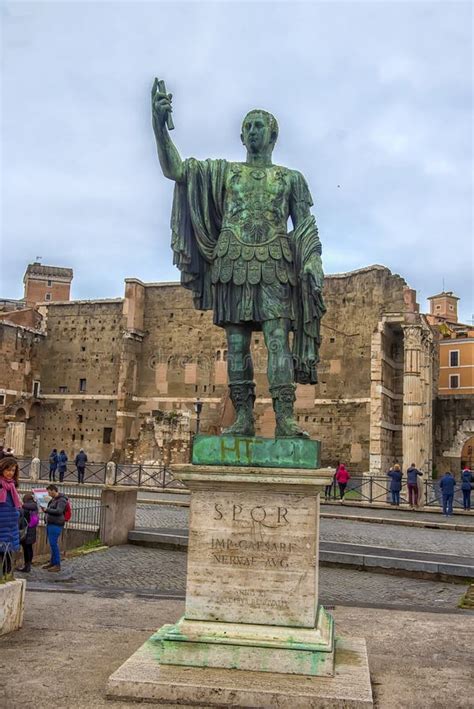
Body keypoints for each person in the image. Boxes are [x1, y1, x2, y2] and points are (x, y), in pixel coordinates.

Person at [151, 83, 325, 438]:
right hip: (232, 263)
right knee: (235, 345)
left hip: (275, 264)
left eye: (259, 125)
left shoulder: (291, 179)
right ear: (242, 136)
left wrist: (313, 260)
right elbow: (177, 171)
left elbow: (305, 225)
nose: (252, 130)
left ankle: (285, 419)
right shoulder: (224, 173)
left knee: (278, 340)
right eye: (248, 126)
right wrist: (158, 126)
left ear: (273, 134)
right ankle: (243, 417)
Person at [0, 456, 21, 578]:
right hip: (1, 524)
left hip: (11, 526)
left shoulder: (12, 486)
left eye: (13, 470)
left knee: (7, 555)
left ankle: (6, 578)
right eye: (8, 470)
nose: (10, 473)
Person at [42, 484, 68, 572]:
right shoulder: (53, 499)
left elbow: (59, 511)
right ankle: (52, 562)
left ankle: (57, 564)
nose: (48, 494)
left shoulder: (62, 500)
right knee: (52, 544)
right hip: (51, 523)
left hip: (56, 524)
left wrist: (47, 510)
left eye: (49, 492)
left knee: (53, 544)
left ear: (53, 490)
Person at [17, 492, 39, 573]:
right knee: (29, 548)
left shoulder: (31, 505)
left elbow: (22, 511)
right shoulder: (33, 505)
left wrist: (19, 504)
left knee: (26, 549)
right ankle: (28, 565)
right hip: (31, 529)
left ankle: (27, 566)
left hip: (27, 530)